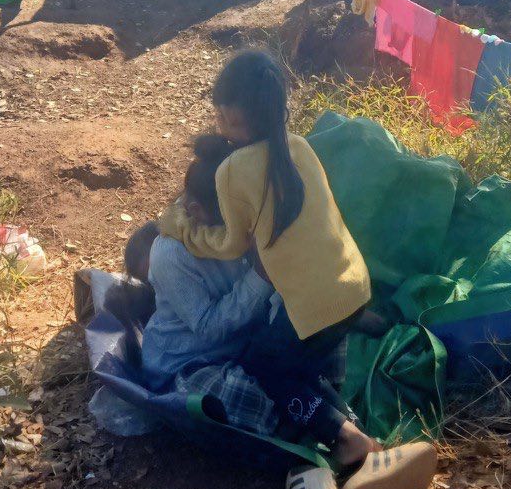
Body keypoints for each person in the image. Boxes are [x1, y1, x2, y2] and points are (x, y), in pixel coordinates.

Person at [145, 134, 376, 461]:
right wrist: (260, 276)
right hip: (196, 362)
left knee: (310, 340)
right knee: (255, 393)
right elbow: (210, 329)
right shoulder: (171, 254)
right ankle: (329, 430)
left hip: (247, 346)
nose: (245, 227)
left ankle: (346, 432)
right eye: (234, 222)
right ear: (197, 211)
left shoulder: (247, 218)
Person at [158, 50, 372, 387]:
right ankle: (341, 413)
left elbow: (231, 245)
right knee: (307, 364)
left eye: (225, 118)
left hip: (314, 306)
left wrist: (185, 231)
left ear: (232, 114)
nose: (221, 125)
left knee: (267, 373)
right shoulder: (299, 146)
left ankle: (349, 436)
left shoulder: (233, 170)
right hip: (355, 283)